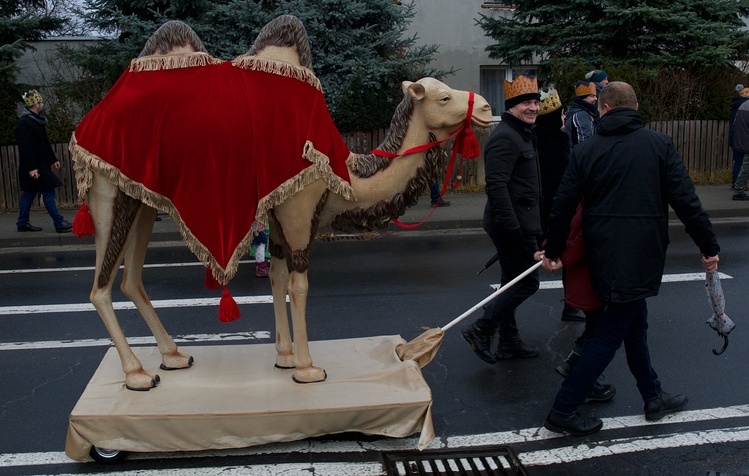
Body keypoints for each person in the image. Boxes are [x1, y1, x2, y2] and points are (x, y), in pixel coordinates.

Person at [540, 81, 720, 436]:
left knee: (635, 324)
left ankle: (652, 396)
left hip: (603, 254)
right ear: (636, 109)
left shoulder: (586, 150)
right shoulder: (658, 145)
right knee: (609, 335)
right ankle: (563, 408)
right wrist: (708, 246)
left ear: (604, 109)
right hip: (643, 254)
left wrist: (554, 248)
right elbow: (686, 199)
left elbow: (562, 204)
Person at [461, 75, 542, 363]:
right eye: (526, 103)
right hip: (511, 225)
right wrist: (513, 228)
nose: (532, 108)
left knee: (511, 282)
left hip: (521, 222)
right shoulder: (506, 137)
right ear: (511, 107)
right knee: (527, 283)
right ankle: (481, 328)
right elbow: (496, 186)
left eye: (535, 102)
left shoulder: (521, 132)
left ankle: (509, 341)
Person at [536, 86, 586, 322]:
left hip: (538, 207)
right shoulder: (560, 140)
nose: (565, 117)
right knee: (564, 255)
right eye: (562, 114)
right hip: (556, 207)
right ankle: (571, 305)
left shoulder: (533, 136)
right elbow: (565, 177)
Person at [15, 90, 72, 233]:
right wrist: (32, 168)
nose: (42, 104)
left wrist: (53, 160)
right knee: (48, 192)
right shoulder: (25, 123)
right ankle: (59, 222)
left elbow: (44, 143)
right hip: (35, 167)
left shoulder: (36, 120)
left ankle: (22, 223)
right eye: (40, 102)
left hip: (39, 165)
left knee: (29, 193)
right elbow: (25, 147)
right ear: (35, 105)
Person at [563, 81, 599, 148]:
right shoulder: (581, 115)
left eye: (595, 96)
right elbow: (585, 144)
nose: (595, 99)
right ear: (583, 98)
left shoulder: (585, 112)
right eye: (592, 96)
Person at [729, 84, 749, 192]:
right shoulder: (745, 106)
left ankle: (735, 182)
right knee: (744, 163)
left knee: (738, 161)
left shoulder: (735, 105)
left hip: (734, 137)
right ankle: (739, 184)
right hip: (743, 138)